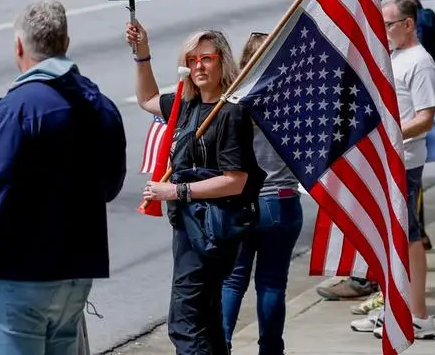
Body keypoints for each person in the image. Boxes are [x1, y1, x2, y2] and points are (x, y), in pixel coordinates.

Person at [0, 0, 127, 355]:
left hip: (18, 279)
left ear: (20, 47)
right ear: (65, 43)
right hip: (75, 277)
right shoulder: (101, 105)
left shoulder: (18, 108)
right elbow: (109, 186)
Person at [127, 23, 261, 355]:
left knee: (185, 322)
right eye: (192, 59)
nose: (199, 66)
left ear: (223, 62)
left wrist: (176, 192)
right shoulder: (187, 104)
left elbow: (236, 179)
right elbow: (146, 99)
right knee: (206, 318)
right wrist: (142, 53)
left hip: (213, 229)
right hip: (189, 227)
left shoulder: (230, 112)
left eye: (207, 58)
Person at [351, 0, 435, 340]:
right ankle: (393, 308)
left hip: (405, 162)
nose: (383, 30)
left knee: (411, 236)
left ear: (407, 24)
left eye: (388, 24)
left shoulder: (421, 62)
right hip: (387, 160)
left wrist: (387, 135)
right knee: (393, 238)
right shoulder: (395, 56)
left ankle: (418, 314)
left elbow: (426, 118)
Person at [221, 32, 304, 355]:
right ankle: (271, 349)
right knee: (272, 283)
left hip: (243, 199)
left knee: (232, 281)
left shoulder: (233, 104)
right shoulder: (295, 102)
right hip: (282, 200)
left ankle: (221, 343)